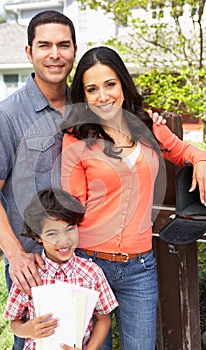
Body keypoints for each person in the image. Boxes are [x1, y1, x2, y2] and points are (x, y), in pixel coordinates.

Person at [60, 46, 206, 350]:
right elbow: (71, 208)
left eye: (110, 84)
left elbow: (184, 151)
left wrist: (201, 162)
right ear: (83, 96)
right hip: (88, 263)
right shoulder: (76, 137)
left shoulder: (149, 128)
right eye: (92, 89)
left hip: (139, 269)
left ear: (123, 85)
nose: (102, 96)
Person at [0, 10, 77, 349]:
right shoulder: (4, 116)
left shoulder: (88, 105)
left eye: (63, 45)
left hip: (86, 259)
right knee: (40, 342)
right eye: (44, 45)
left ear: (74, 50)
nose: (54, 54)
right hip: (34, 265)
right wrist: (16, 255)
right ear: (28, 52)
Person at [4, 187, 118, 350]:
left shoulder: (92, 273)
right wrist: (26, 330)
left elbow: (103, 319)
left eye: (70, 229)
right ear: (37, 236)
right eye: (52, 234)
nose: (64, 240)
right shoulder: (29, 275)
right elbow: (14, 322)